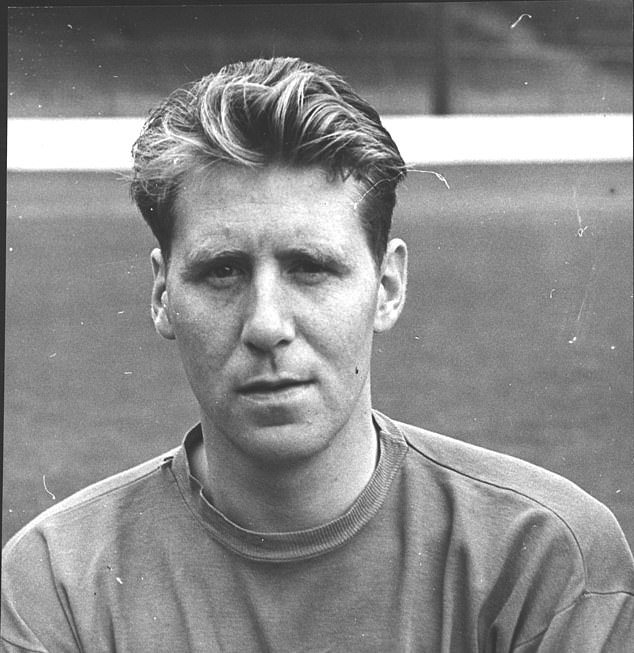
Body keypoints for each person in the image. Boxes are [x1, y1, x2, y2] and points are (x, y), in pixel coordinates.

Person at [2, 57, 632, 652]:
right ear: (163, 295)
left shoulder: (543, 558)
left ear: (387, 286)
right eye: (223, 271)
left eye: (310, 268)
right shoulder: (56, 583)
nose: (266, 325)